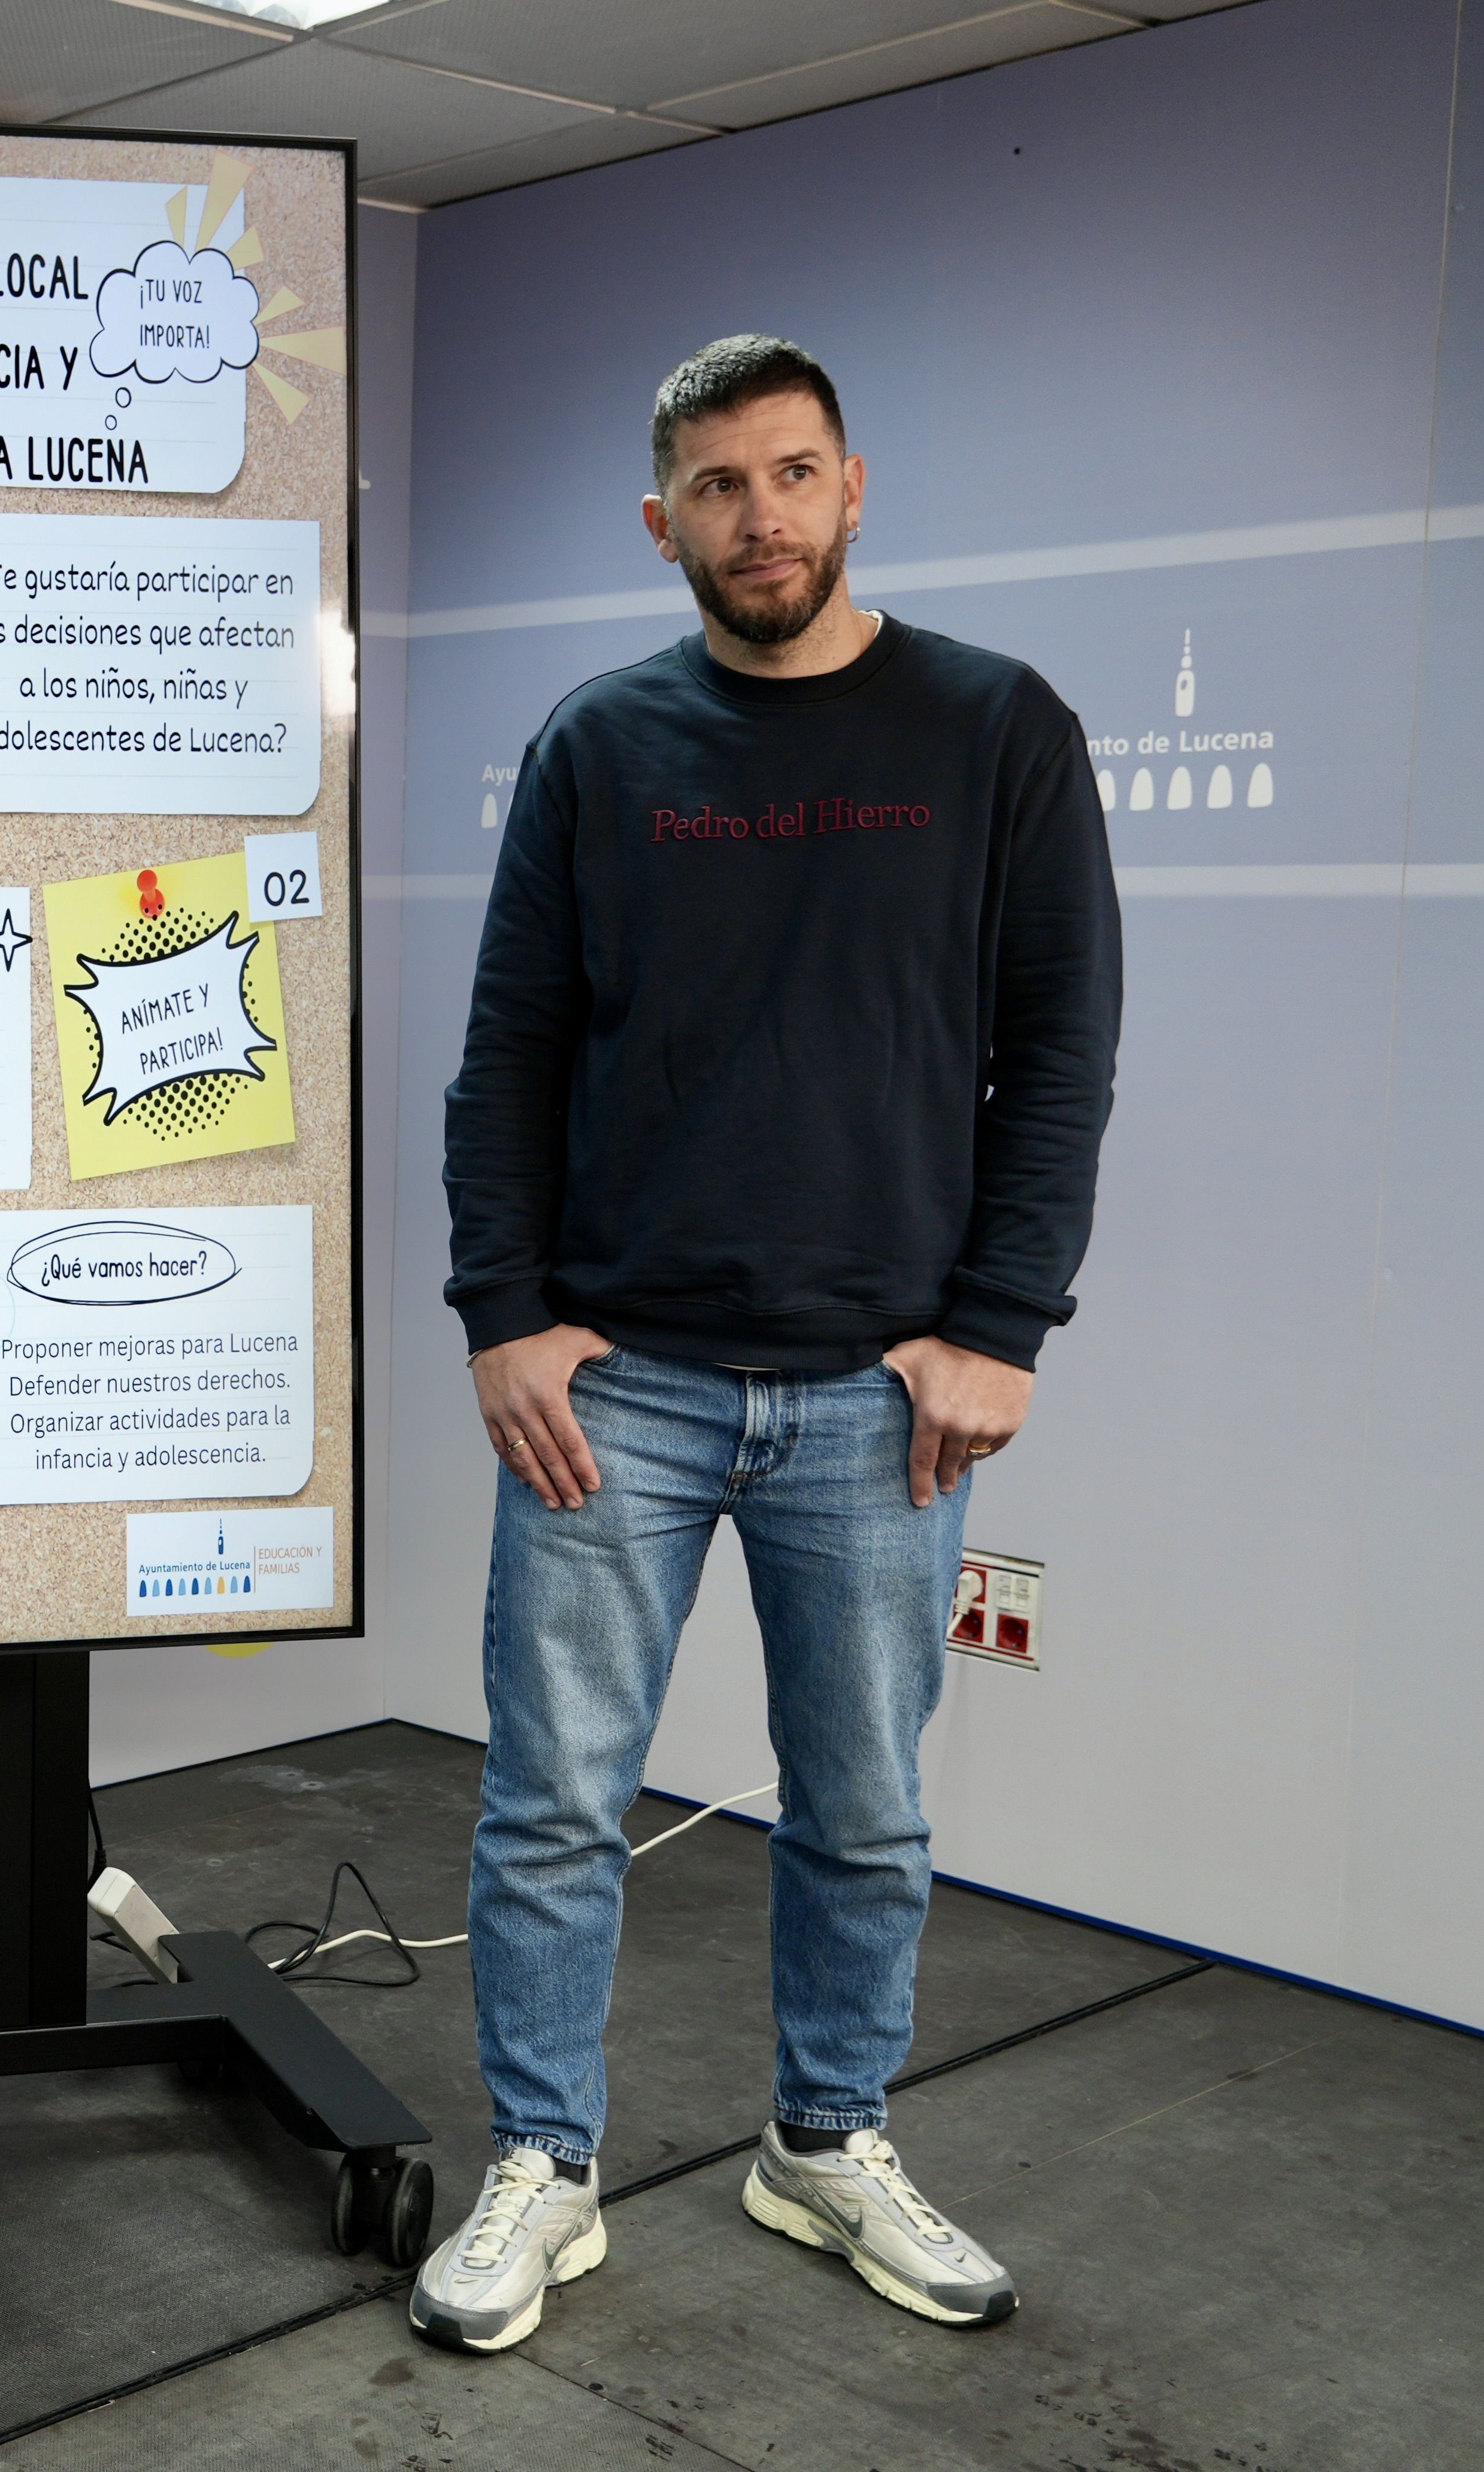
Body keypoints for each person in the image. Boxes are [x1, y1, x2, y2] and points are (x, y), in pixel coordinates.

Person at [410, 337, 1120, 2353]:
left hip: (877, 1395)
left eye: (793, 474)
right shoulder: (599, 743)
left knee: (868, 1811)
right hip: (611, 1386)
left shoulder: (998, 727)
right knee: (552, 1806)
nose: (762, 518)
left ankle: (825, 2138)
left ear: (854, 485)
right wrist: (504, 1320)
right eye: (717, 489)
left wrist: (1000, 1326)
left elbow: (1060, 1056)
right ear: (663, 522)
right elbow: (510, 1060)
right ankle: (544, 2168)